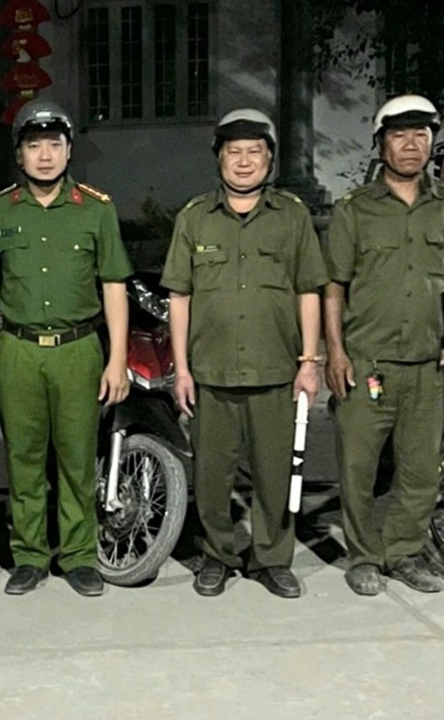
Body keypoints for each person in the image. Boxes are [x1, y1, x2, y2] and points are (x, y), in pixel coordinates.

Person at [160, 109, 326, 599]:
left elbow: (309, 290)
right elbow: (179, 297)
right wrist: (182, 370)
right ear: (219, 158)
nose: (244, 161)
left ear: (270, 159)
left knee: (275, 474)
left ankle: (272, 558)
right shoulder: (194, 218)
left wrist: (309, 361)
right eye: (234, 152)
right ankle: (217, 556)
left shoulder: (292, 216)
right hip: (210, 374)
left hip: (276, 372)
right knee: (212, 476)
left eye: (255, 152)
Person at [0, 98, 133, 598]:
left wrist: (118, 359)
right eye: (34, 146)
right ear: (19, 155)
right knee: (23, 459)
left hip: (77, 350)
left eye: (54, 145)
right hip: (17, 350)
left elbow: (113, 285)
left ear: (69, 151)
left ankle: (79, 555)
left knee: (77, 459)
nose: (45, 156)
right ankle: (30, 555)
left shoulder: (96, 210)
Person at [324, 94, 444, 596]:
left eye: (421, 134)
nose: (411, 144)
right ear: (380, 144)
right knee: (359, 468)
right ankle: (364, 557)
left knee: (419, 472)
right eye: (399, 135)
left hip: (427, 365)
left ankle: (404, 554)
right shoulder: (354, 209)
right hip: (368, 364)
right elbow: (334, 287)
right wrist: (336, 353)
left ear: (432, 142)